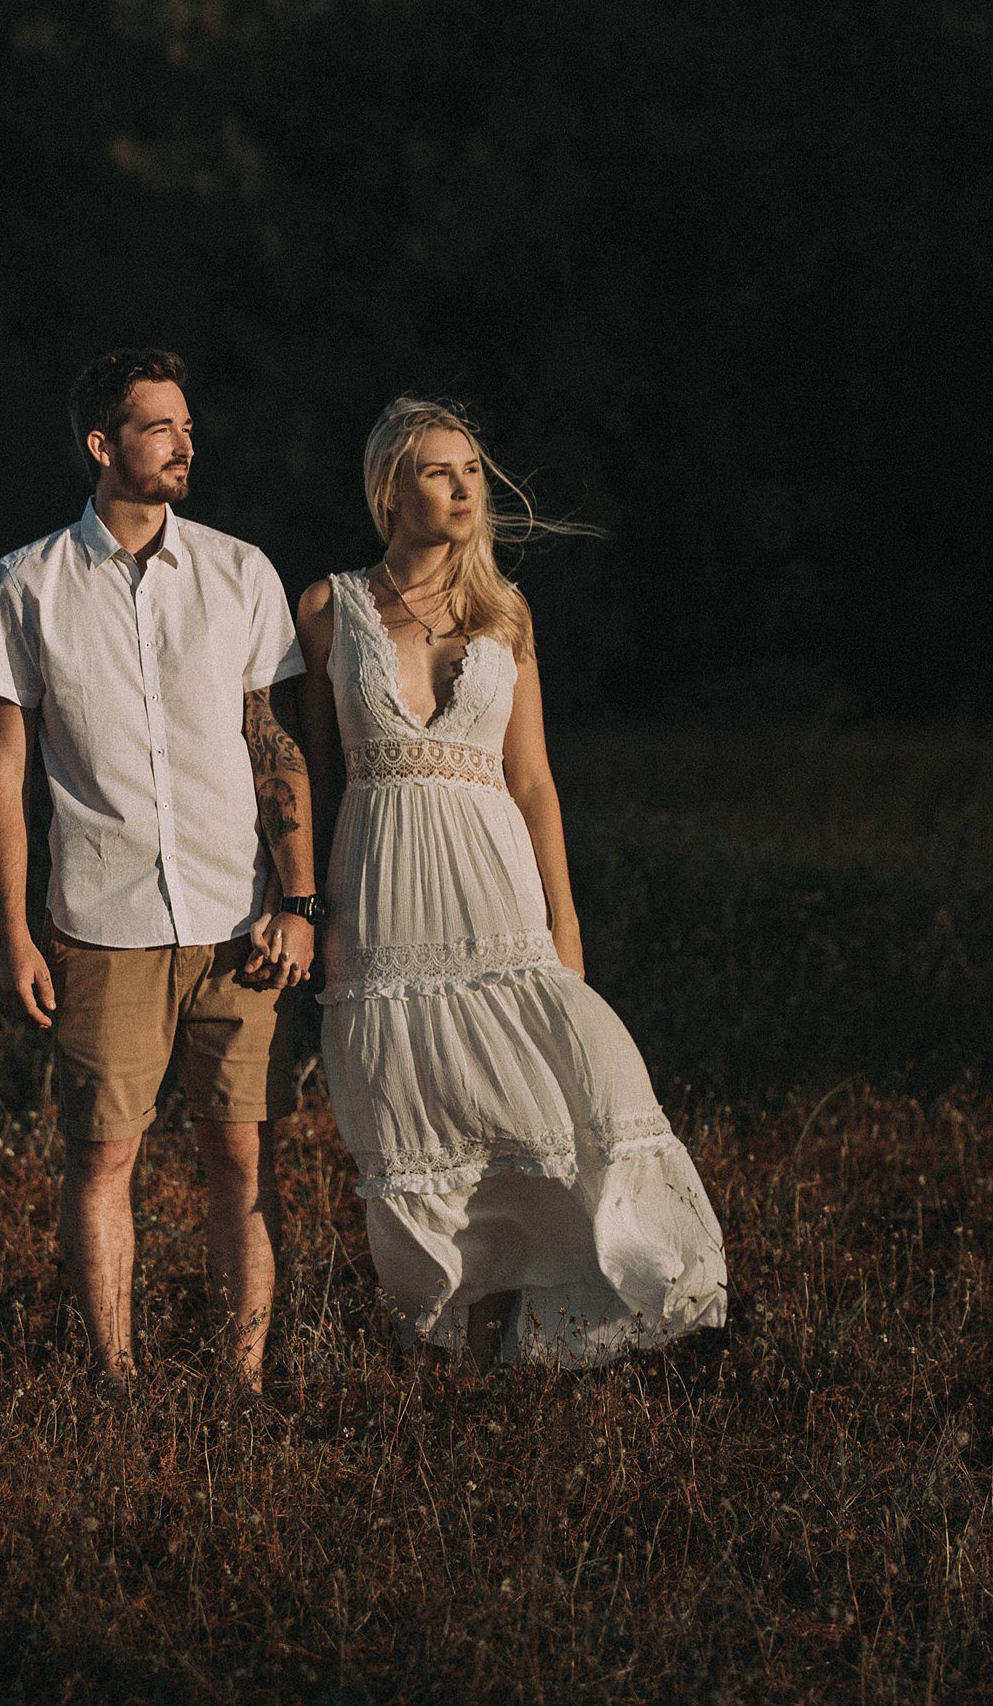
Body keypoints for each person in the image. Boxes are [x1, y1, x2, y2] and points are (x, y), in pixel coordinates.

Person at [290, 396, 727, 1372]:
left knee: (545, 1111)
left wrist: (565, 919)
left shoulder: (504, 611)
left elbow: (532, 779)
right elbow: (315, 776)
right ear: (388, 486)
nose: (463, 486)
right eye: (440, 470)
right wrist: (307, 902)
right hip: (381, 898)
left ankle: (514, 1359)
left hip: (500, 901)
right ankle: (444, 1363)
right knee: (414, 1118)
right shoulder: (326, 608)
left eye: (472, 470)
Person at [0, 348, 322, 1392]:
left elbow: (278, 744)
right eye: (158, 425)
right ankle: (117, 1386)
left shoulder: (239, 570)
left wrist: (300, 901)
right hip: (103, 920)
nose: (184, 441)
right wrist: (14, 930)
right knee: (102, 1159)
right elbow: (2, 770)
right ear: (102, 443)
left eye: (186, 424)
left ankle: (242, 1381)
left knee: (242, 1160)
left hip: (236, 922)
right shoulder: (25, 583)